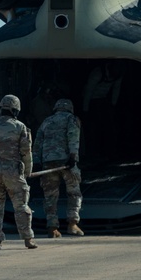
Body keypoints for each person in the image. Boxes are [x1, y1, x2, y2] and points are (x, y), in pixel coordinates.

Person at [0, 94, 37, 250]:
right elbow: (26, 152)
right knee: (21, 206)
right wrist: (28, 172)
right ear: (16, 110)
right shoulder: (20, 127)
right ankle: (27, 238)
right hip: (14, 172)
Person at [33, 98, 84, 237]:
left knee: (50, 196)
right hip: (66, 161)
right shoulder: (71, 119)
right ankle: (72, 224)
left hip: (48, 162)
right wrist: (73, 156)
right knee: (74, 193)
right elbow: (73, 136)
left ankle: (52, 227)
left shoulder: (46, 121)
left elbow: (37, 142)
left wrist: (36, 161)